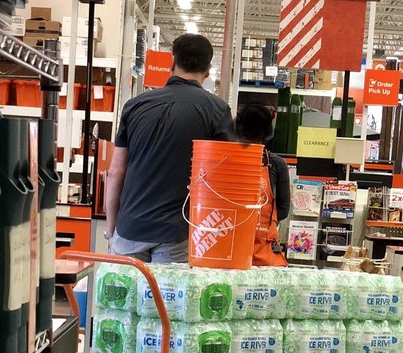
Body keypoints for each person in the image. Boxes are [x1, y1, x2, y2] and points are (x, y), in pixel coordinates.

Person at [105, 34, 235, 263]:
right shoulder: (217, 110)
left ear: (172, 64)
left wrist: (112, 229)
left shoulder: (135, 106)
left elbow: (116, 172)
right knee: (165, 299)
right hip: (178, 233)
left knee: (124, 298)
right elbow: (222, 179)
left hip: (130, 228)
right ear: (208, 70)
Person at [235, 102, 290, 267]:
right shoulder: (277, 164)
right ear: (268, 132)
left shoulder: (225, 157)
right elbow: (283, 209)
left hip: (230, 243)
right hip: (262, 249)